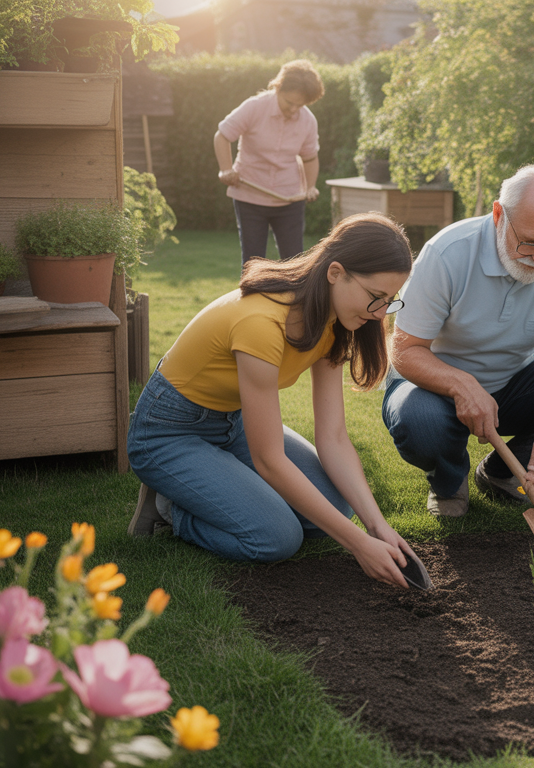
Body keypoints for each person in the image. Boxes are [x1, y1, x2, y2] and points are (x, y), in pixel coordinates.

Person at [128, 213, 420, 589]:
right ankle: (168, 507)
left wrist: (377, 527)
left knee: (336, 507)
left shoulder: (334, 321)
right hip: (168, 432)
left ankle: (216, 481)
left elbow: (333, 436)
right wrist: (359, 545)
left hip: (232, 423)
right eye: (375, 297)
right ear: (336, 273)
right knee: (277, 537)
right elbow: (269, 460)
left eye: (389, 301)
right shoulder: (262, 322)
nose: (380, 313)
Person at [381, 164, 534, 518]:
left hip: (512, 387)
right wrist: (461, 384)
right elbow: (404, 351)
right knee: (419, 419)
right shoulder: (447, 253)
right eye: (531, 242)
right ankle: (449, 482)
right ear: (499, 215)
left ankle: (502, 473)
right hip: (431, 389)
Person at [214, 59, 324, 264]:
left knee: (294, 263)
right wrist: (226, 169)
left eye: (300, 105)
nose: (294, 109)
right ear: (278, 87)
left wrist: (311, 187)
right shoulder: (254, 107)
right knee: (253, 262)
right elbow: (222, 136)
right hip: (250, 195)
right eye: (289, 102)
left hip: (290, 199)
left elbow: (310, 158)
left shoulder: (308, 121)